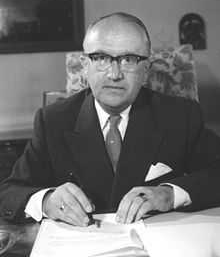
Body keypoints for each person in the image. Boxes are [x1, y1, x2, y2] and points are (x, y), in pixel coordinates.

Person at [0, 12, 220, 227]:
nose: (114, 74)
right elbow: (10, 192)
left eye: (128, 60)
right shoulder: (52, 121)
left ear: (146, 70)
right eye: (101, 58)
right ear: (85, 65)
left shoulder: (180, 115)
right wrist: (47, 201)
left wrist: (169, 194)